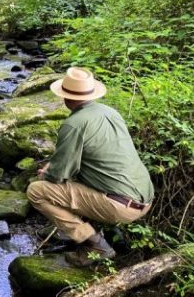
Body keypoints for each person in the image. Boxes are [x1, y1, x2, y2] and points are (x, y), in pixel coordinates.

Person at [26, 67, 154, 267]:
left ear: (65, 97)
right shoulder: (110, 112)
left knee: (36, 191)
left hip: (119, 206)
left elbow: (58, 175)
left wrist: (46, 173)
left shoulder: (74, 123)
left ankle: (95, 244)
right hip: (145, 199)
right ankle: (111, 233)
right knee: (79, 181)